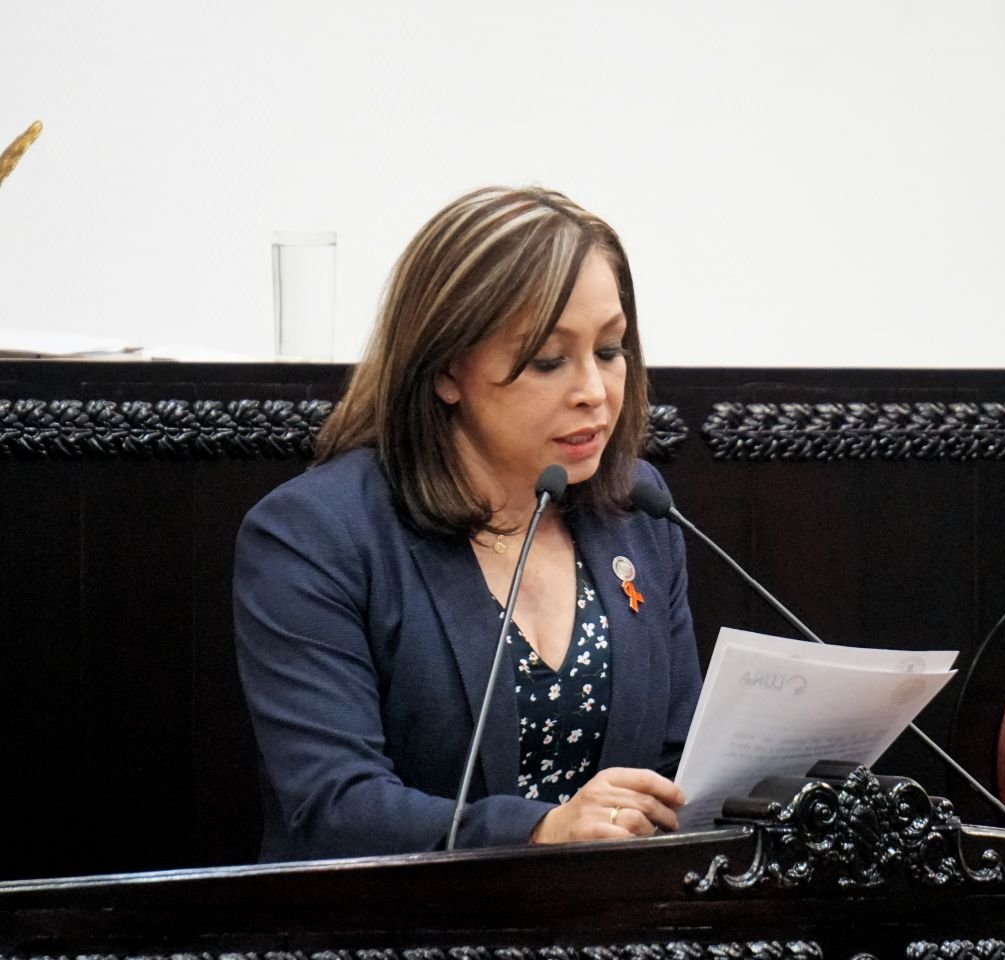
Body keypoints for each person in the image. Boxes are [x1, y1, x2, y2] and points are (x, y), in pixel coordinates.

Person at [233, 186, 701, 861]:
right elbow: (334, 806)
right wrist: (539, 831)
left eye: (609, 350)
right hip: (401, 914)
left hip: (614, 911)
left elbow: (677, 763)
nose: (594, 392)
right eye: (547, 360)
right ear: (448, 370)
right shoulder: (315, 535)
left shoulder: (636, 509)